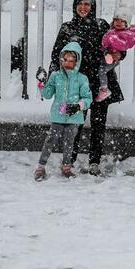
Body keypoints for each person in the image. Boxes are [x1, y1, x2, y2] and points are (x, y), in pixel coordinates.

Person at [47, 0, 123, 176]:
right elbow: (57, 55)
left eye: (87, 4)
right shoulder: (67, 28)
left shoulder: (101, 25)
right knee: (75, 124)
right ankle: (69, 159)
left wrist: (119, 54)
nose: (83, 8)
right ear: (75, 6)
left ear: (93, 7)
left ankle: (94, 161)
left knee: (98, 124)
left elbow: (116, 46)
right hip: (77, 84)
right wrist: (53, 77)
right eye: (80, 4)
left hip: (99, 84)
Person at [35, 41, 93, 181]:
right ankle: (41, 166)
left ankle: (66, 167)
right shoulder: (56, 76)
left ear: (77, 61)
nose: (67, 63)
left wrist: (78, 106)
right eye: (65, 59)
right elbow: (48, 94)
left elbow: (88, 98)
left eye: (72, 60)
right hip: (58, 116)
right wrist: (42, 83)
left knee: (69, 143)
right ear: (61, 59)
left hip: (74, 118)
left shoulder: (82, 79)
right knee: (50, 141)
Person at [97, 4, 135, 102]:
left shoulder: (122, 34)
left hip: (111, 57)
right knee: (103, 67)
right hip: (105, 56)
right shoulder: (111, 30)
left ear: (127, 24)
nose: (118, 23)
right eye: (116, 20)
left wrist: (117, 53)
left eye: (122, 21)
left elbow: (122, 47)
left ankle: (104, 89)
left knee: (102, 69)